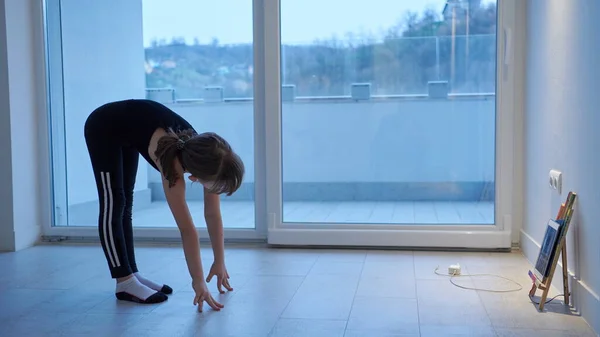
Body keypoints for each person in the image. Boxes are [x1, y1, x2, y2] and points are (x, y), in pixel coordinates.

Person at [83, 99, 244, 311]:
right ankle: (124, 281)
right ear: (196, 177)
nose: (218, 191)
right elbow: (187, 230)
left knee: (126, 201)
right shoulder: (173, 169)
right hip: (104, 126)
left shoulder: (209, 156)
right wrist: (198, 282)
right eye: (217, 187)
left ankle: (132, 273)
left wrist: (219, 261)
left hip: (132, 125)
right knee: (114, 201)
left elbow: (213, 215)